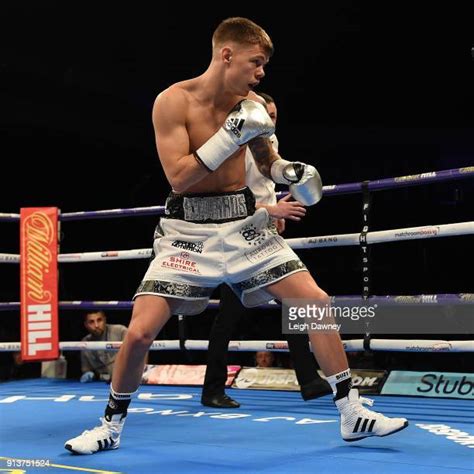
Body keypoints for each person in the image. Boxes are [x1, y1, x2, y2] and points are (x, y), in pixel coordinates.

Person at [65, 17, 408, 454]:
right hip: (187, 232)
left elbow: (267, 162)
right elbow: (179, 177)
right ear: (227, 55)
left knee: (315, 302)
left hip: (245, 227)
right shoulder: (172, 102)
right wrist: (229, 136)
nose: (261, 73)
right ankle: (110, 427)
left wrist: (290, 172)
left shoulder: (253, 107)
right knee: (138, 333)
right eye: (256, 62)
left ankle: (350, 412)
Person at [201, 92, 331, 409]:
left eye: (273, 115)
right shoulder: (237, 148)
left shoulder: (270, 144)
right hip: (236, 238)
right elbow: (229, 200)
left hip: (262, 236)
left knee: (296, 301)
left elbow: (263, 189)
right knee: (228, 317)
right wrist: (268, 211)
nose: (270, 120)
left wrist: (274, 209)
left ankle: (309, 379)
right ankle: (212, 388)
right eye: (264, 114)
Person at [80, 311, 128, 383]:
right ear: (86, 324)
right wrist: (89, 374)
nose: (96, 325)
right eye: (91, 322)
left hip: (125, 380)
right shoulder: (85, 343)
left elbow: (139, 352)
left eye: (99, 320)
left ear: (105, 320)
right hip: (101, 384)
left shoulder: (120, 331)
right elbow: (86, 370)